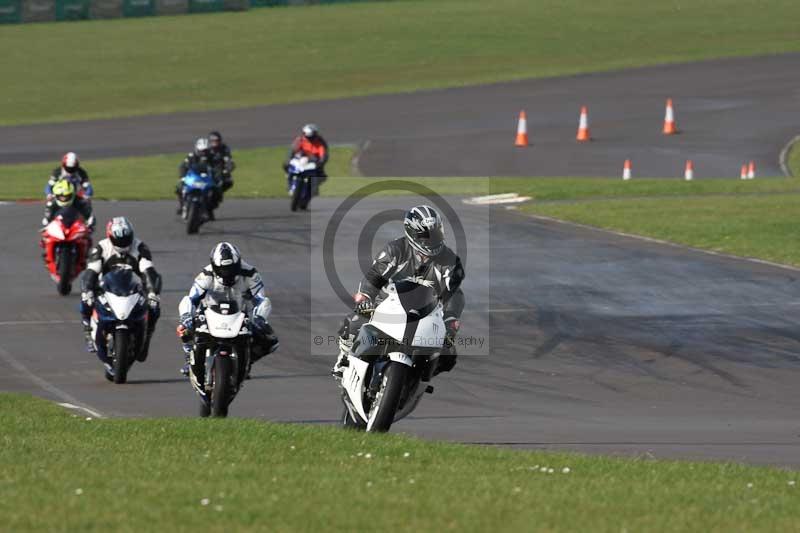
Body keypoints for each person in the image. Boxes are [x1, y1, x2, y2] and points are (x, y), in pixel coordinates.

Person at [332, 205, 465, 378]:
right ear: (412, 233)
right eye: (425, 235)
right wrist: (365, 296)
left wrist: (451, 319)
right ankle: (344, 359)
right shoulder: (396, 250)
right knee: (354, 321)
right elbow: (375, 275)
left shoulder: (448, 260)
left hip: (425, 314)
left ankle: (418, 379)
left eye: (436, 234)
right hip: (387, 305)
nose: (431, 240)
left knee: (448, 355)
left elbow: (454, 292)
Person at [176, 242, 279, 376]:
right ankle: (190, 359)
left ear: (238, 263)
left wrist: (259, 319)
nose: (227, 273)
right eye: (223, 269)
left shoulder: (250, 273)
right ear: (214, 266)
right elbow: (190, 299)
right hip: (208, 314)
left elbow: (262, 300)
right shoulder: (206, 274)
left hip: (238, 315)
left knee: (270, 341)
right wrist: (186, 316)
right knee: (184, 328)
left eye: (231, 268)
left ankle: (246, 361)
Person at [79, 217, 162, 378]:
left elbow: (148, 272)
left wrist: (152, 292)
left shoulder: (140, 247)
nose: (123, 243)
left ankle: (147, 335)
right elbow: (91, 272)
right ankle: (87, 330)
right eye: (119, 240)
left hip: (133, 289)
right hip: (106, 288)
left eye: (126, 239)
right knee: (85, 299)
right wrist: (87, 289)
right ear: (111, 236)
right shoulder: (102, 248)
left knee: (154, 306)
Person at [176, 137, 219, 216]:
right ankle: (182, 206)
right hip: (193, 178)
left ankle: (209, 209)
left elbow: (217, 168)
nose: (203, 153)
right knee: (179, 187)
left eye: (205, 151)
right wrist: (182, 177)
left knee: (216, 191)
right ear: (197, 149)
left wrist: (217, 177)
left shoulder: (213, 157)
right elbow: (183, 166)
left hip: (207, 179)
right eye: (201, 151)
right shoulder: (191, 156)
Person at [283, 124, 329, 194]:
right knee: (286, 165)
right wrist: (289, 159)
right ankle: (290, 185)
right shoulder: (300, 140)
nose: (309, 139)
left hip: (315, 160)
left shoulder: (320, 142)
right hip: (301, 159)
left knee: (322, 176)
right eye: (307, 136)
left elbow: (323, 155)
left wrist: (320, 162)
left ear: (315, 134)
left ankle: (313, 187)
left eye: (311, 137)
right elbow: (293, 150)